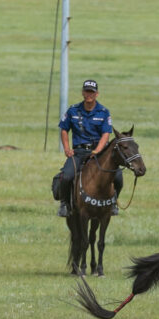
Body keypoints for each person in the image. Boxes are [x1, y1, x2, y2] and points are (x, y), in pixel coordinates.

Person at [55, 79, 122, 217]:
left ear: (97, 94)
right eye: (86, 91)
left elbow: (105, 134)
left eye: (92, 92)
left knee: (119, 176)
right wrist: (67, 148)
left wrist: (98, 150)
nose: (89, 94)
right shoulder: (73, 110)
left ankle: (113, 202)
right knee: (66, 176)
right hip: (78, 152)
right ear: (82, 92)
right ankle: (65, 204)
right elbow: (63, 129)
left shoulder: (103, 112)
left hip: (99, 153)